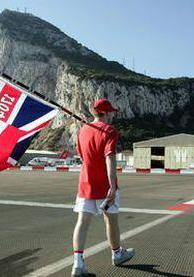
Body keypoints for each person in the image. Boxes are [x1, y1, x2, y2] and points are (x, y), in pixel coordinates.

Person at [71, 99, 135, 276]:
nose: (113, 115)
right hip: (104, 186)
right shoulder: (110, 131)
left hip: (85, 184)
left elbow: (83, 157)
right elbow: (110, 158)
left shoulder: (82, 130)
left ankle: (77, 264)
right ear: (106, 113)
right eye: (111, 112)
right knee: (111, 221)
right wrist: (112, 186)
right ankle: (117, 254)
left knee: (82, 222)